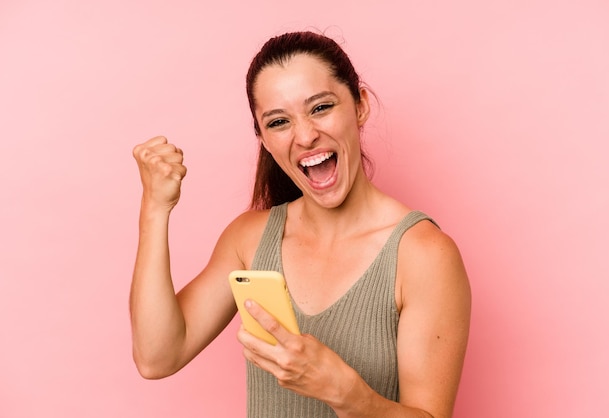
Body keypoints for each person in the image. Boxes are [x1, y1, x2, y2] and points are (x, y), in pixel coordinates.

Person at [130, 31, 471, 418]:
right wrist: (155, 209)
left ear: (359, 106)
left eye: (321, 107)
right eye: (279, 122)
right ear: (263, 138)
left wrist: (347, 394)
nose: (305, 135)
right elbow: (157, 357)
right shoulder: (248, 239)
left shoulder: (424, 255)